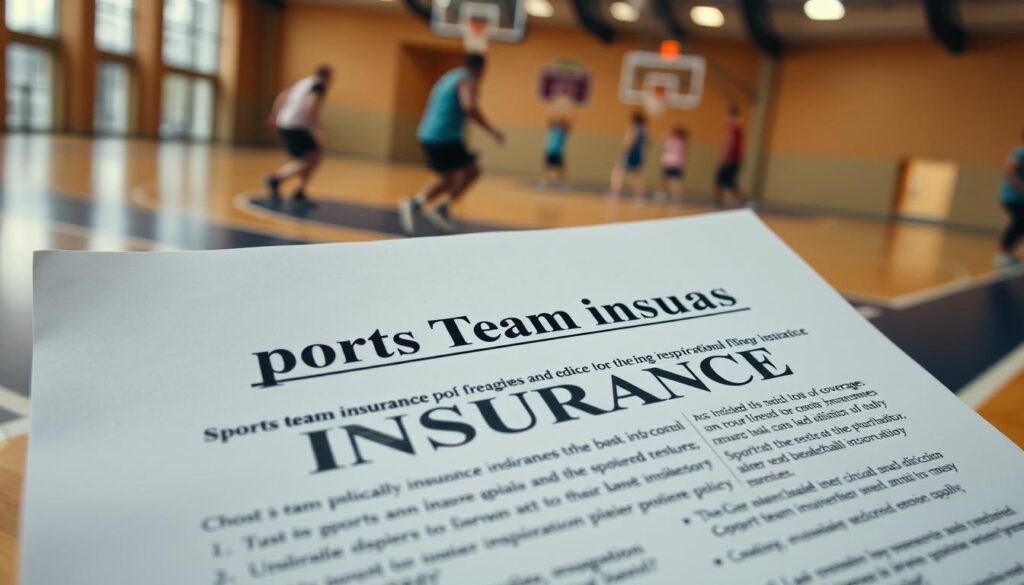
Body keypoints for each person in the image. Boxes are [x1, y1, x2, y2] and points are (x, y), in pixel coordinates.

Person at [398, 53, 504, 234]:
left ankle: (416, 204)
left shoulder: (451, 76)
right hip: (443, 136)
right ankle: (440, 208)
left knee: (448, 177)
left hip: (429, 134)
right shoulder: (467, 80)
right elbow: (469, 107)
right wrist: (491, 130)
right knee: (472, 171)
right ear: (481, 69)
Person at [264, 64, 333, 205]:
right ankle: (276, 179)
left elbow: (282, 96)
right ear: (328, 77)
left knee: (313, 157)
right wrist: (316, 129)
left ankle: (299, 190)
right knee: (305, 160)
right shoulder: (319, 86)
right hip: (297, 125)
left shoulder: (303, 83)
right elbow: (312, 107)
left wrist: (274, 115)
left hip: (287, 123)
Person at [996, 129, 1024, 268]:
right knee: (1019, 221)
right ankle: (1003, 254)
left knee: (1021, 223)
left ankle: (1007, 252)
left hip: (1020, 199)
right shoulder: (1020, 153)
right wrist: (1020, 186)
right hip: (1012, 197)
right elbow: (1009, 170)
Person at [713, 104, 748, 208]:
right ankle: (740, 199)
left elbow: (730, 143)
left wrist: (723, 158)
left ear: (730, 115)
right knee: (728, 182)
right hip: (735, 159)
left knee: (720, 181)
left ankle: (720, 203)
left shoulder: (732, 128)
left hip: (730, 159)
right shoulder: (738, 127)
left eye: (726, 115)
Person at [609, 111, 647, 201]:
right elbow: (646, 146)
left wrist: (623, 150)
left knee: (617, 171)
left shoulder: (634, 129)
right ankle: (641, 194)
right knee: (635, 175)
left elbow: (629, 141)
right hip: (638, 155)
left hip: (631, 154)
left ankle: (615, 193)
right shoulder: (644, 130)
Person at [542, 90, 573, 190]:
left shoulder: (563, 130)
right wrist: (556, 108)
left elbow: (568, 122)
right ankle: (543, 181)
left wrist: (566, 110)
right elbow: (550, 119)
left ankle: (561, 183)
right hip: (550, 148)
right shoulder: (553, 127)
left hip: (559, 150)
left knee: (561, 168)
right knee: (546, 166)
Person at [660, 126, 688, 202]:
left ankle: (664, 194)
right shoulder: (683, 142)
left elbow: (664, 147)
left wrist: (665, 137)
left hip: (669, 162)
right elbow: (685, 153)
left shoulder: (671, 140)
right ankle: (678, 195)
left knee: (665, 179)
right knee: (677, 180)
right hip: (678, 164)